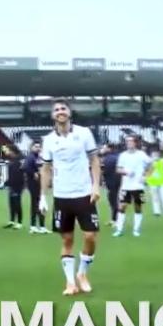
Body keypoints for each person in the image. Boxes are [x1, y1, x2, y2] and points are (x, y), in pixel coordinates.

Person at [39, 99, 101, 296]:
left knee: (90, 236)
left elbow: (94, 160)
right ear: (53, 115)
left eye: (63, 108)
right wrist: (42, 196)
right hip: (62, 196)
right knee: (67, 239)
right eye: (56, 109)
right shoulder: (49, 140)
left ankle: (82, 273)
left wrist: (96, 186)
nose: (60, 111)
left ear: (69, 112)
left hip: (84, 193)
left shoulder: (84, 133)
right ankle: (70, 282)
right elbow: (46, 168)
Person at [113, 135, 153, 237]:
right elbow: (118, 169)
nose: (129, 143)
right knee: (122, 207)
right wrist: (126, 172)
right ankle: (119, 229)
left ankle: (136, 229)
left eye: (131, 141)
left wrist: (146, 176)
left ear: (135, 143)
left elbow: (151, 165)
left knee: (138, 207)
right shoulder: (123, 155)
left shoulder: (141, 154)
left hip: (138, 186)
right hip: (126, 186)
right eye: (127, 141)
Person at [23, 142, 47, 233]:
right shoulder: (30, 157)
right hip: (33, 184)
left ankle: (41, 226)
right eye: (36, 146)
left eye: (39, 147)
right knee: (35, 204)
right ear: (31, 147)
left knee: (41, 203)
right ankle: (34, 226)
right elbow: (25, 167)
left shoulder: (39, 157)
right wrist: (34, 173)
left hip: (40, 184)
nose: (38, 148)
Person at [3, 145, 25, 230]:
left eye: (7, 150)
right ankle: (12, 221)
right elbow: (11, 173)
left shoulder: (20, 159)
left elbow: (19, 174)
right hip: (11, 185)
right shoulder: (11, 159)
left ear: (12, 150)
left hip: (18, 185)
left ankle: (19, 222)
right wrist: (7, 183)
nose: (5, 152)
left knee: (17, 203)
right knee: (11, 203)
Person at [146, 148, 163, 218]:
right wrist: (152, 165)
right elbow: (148, 173)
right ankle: (156, 212)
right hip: (152, 183)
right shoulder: (149, 163)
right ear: (151, 155)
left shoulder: (162, 161)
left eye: (156, 154)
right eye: (154, 155)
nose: (155, 156)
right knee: (155, 198)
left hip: (162, 182)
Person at [100, 143, 122, 225]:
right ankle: (114, 219)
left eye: (104, 148)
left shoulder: (107, 159)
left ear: (109, 149)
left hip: (111, 183)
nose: (102, 149)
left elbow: (103, 171)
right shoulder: (118, 156)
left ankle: (115, 220)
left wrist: (102, 181)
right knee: (116, 200)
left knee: (113, 201)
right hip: (119, 182)